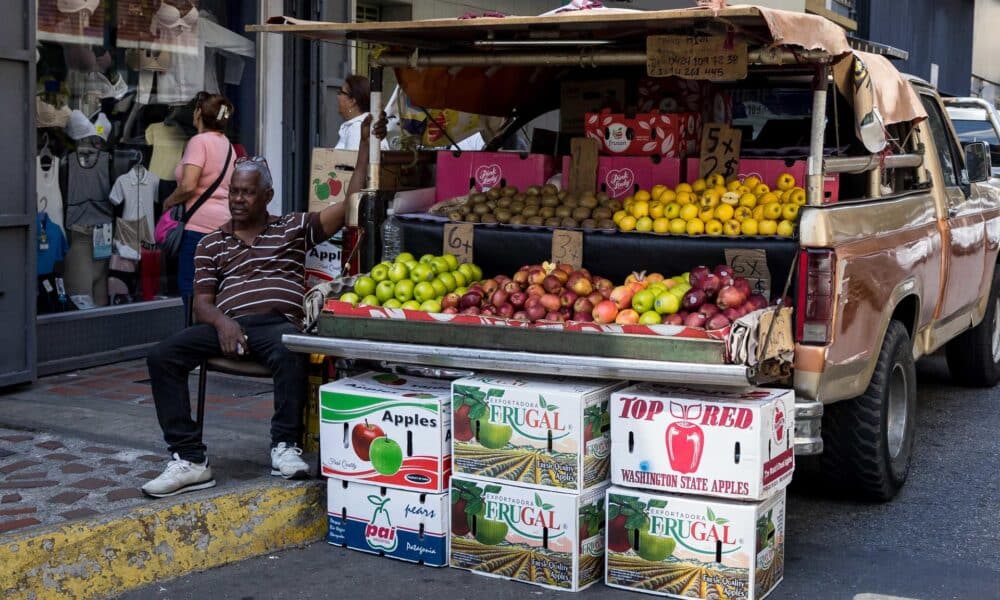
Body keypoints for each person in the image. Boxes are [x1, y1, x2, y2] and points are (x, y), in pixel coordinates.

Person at [141, 115, 384, 498]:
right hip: (226, 325)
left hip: (276, 326)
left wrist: (367, 146)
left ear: (266, 196)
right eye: (234, 191)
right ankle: (189, 458)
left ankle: (284, 446)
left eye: (247, 192)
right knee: (161, 356)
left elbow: (350, 205)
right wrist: (223, 324)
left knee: (293, 346)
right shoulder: (211, 243)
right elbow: (202, 304)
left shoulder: (292, 228)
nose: (237, 200)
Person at [162, 91, 236, 312]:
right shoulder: (228, 146)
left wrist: (168, 201)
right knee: (214, 292)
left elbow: (188, 185)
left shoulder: (199, 141)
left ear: (198, 114)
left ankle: (194, 341)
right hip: (223, 229)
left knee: (192, 292)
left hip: (198, 231)